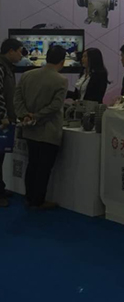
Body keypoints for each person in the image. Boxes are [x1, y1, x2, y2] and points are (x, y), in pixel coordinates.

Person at [14, 45, 68, 210]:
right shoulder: (61, 80)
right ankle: (38, 201)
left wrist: (25, 115)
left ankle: (30, 197)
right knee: (44, 167)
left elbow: (17, 99)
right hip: (49, 130)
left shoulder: (27, 75)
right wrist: (36, 116)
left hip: (30, 129)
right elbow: (55, 106)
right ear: (62, 61)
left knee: (32, 164)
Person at [0, 39, 22, 207]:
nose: (21, 55)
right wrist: (2, 116)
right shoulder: (1, 67)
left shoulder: (7, 67)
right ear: (11, 51)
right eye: (20, 51)